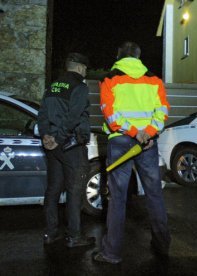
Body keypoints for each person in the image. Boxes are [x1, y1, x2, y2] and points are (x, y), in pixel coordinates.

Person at [93, 41, 171, 264]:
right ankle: (162, 245)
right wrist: (147, 132)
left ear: (119, 56)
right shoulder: (154, 79)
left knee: (117, 198)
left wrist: (134, 132)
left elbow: (111, 114)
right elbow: (163, 110)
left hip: (120, 142)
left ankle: (111, 253)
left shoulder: (109, 79)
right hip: (148, 143)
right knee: (154, 194)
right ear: (139, 57)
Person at [38, 52, 95, 247]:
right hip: (71, 145)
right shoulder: (79, 86)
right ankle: (74, 236)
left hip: (53, 146)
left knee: (53, 189)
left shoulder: (52, 86)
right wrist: (60, 138)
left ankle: (50, 233)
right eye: (85, 68)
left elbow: (42, 114)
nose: (85, 71)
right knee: (74, 190)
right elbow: (74, 117)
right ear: (79, 67)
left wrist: (47, 136)